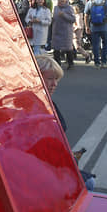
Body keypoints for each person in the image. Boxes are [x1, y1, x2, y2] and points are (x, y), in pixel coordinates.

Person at [36, 55, 95, 191]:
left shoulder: (45, 102)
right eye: (50, 79)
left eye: (56, 79)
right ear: (37, 77)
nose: (54, 84)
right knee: (88, 183)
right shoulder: (37, 106)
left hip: (47, 163)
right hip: (40, 167)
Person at [84, 0, 107, 68]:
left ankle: (96, 62)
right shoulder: (106, 2)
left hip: (94, 26)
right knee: (105, 44)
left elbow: (86, 15)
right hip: (105, 26)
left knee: (95, 45)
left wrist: (87, 26)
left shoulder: (90, 2)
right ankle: (104, 62)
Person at [51, 0, 76, 70]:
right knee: (56, 48)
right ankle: (57, 64)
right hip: (57, 30)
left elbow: (73, 19)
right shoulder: (55, 8)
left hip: (66, 31)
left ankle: (70, 63)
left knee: (68, 48)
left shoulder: (69, 8)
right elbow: (54, 18)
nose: (62, 0)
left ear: (66, 0)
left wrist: (64, 15)